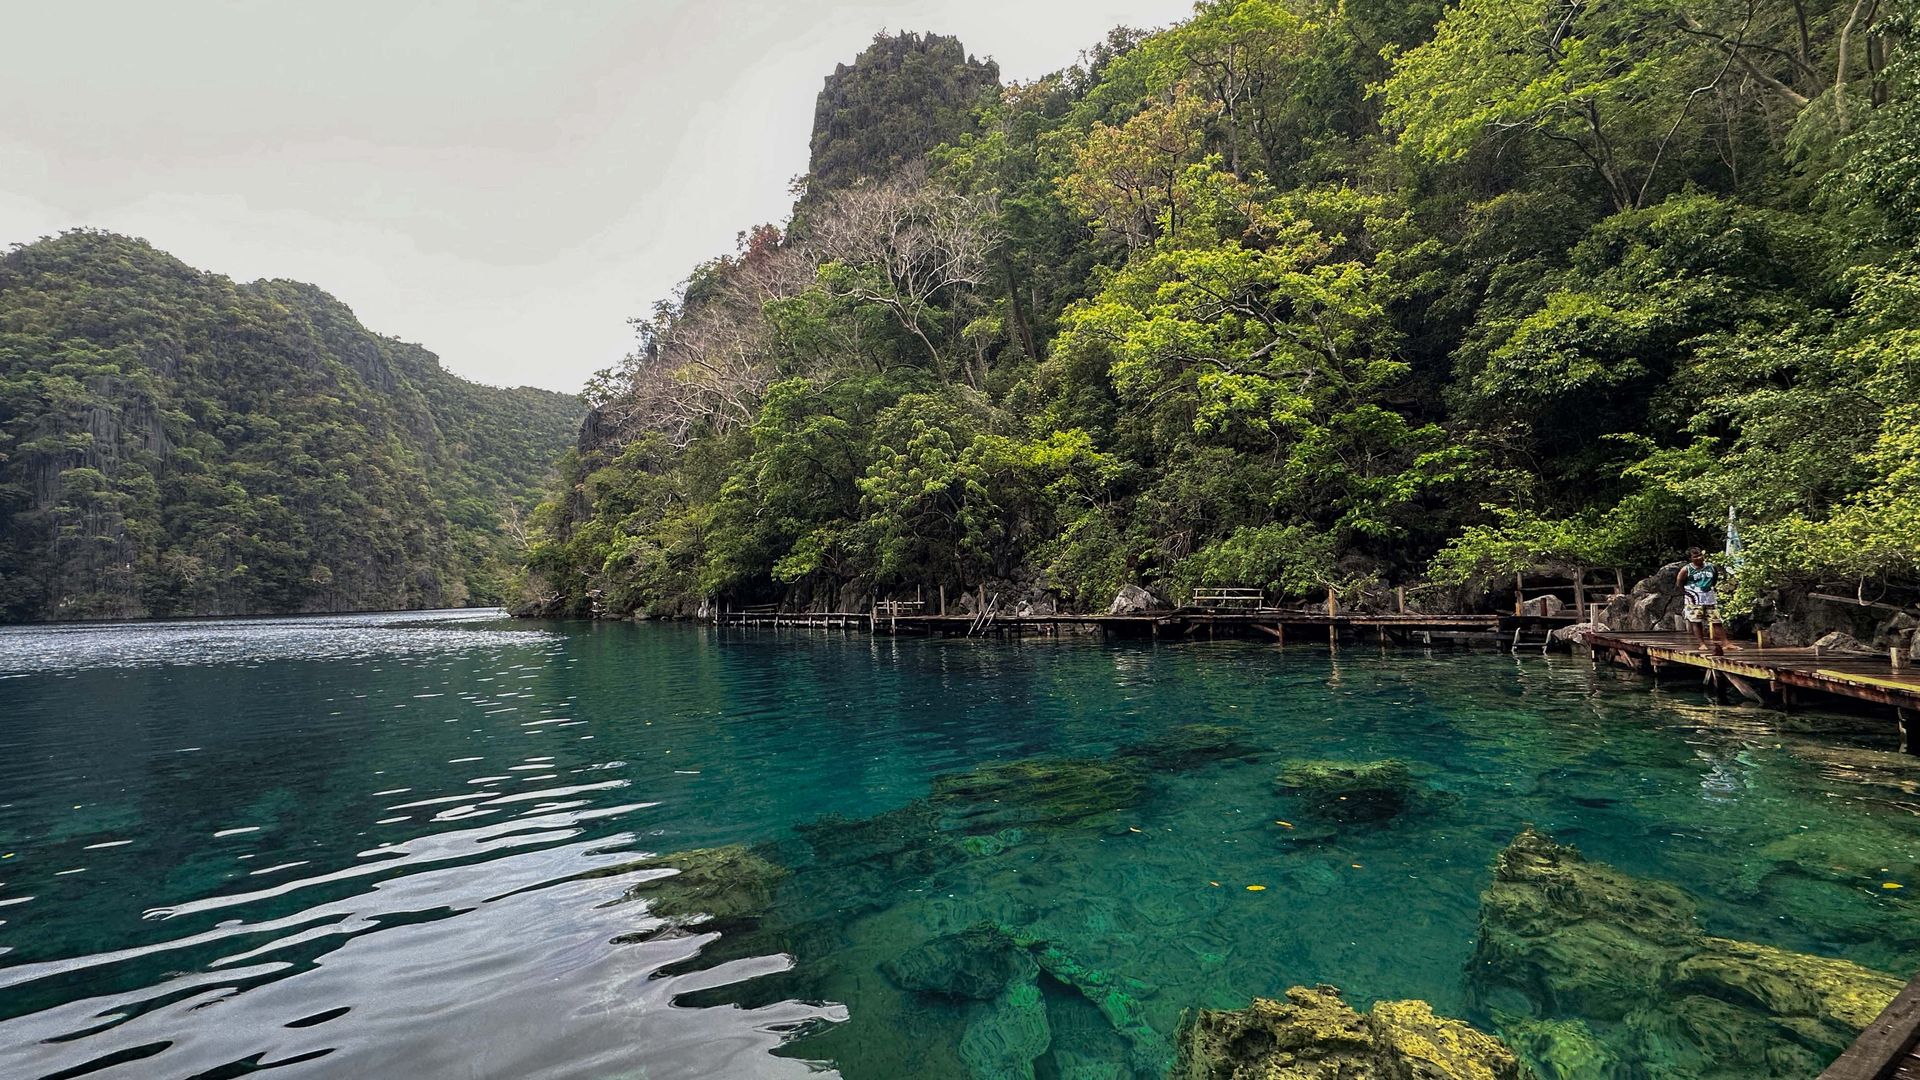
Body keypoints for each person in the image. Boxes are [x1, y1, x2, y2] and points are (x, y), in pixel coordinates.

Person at [1674, 547, 1732, 654]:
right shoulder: (1686, 570)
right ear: (1691, 559)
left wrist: (1709, 588)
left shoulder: (1711, 567)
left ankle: (1726, 643)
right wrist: (1687, 593)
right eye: (1695, 556)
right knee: (1696, 621)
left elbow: (1714, 579)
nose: (1699, 558)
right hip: (1693, 598)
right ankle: (1701, 643)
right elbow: (1679, 583)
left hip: (1709, 597)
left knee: (1716, 620)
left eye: (1700, 555)